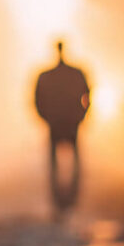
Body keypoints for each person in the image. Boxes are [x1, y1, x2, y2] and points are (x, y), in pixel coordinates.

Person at [34, 39, 90, 212]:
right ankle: (65, 197)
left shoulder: (47, 75)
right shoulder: (75, 73)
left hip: (62, 122)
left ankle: (65, 197)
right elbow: (88, 96)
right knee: (66, 162)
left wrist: (80, 116)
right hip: (64, 122)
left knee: (59, 163)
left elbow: (37, 101)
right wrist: (81, 116)